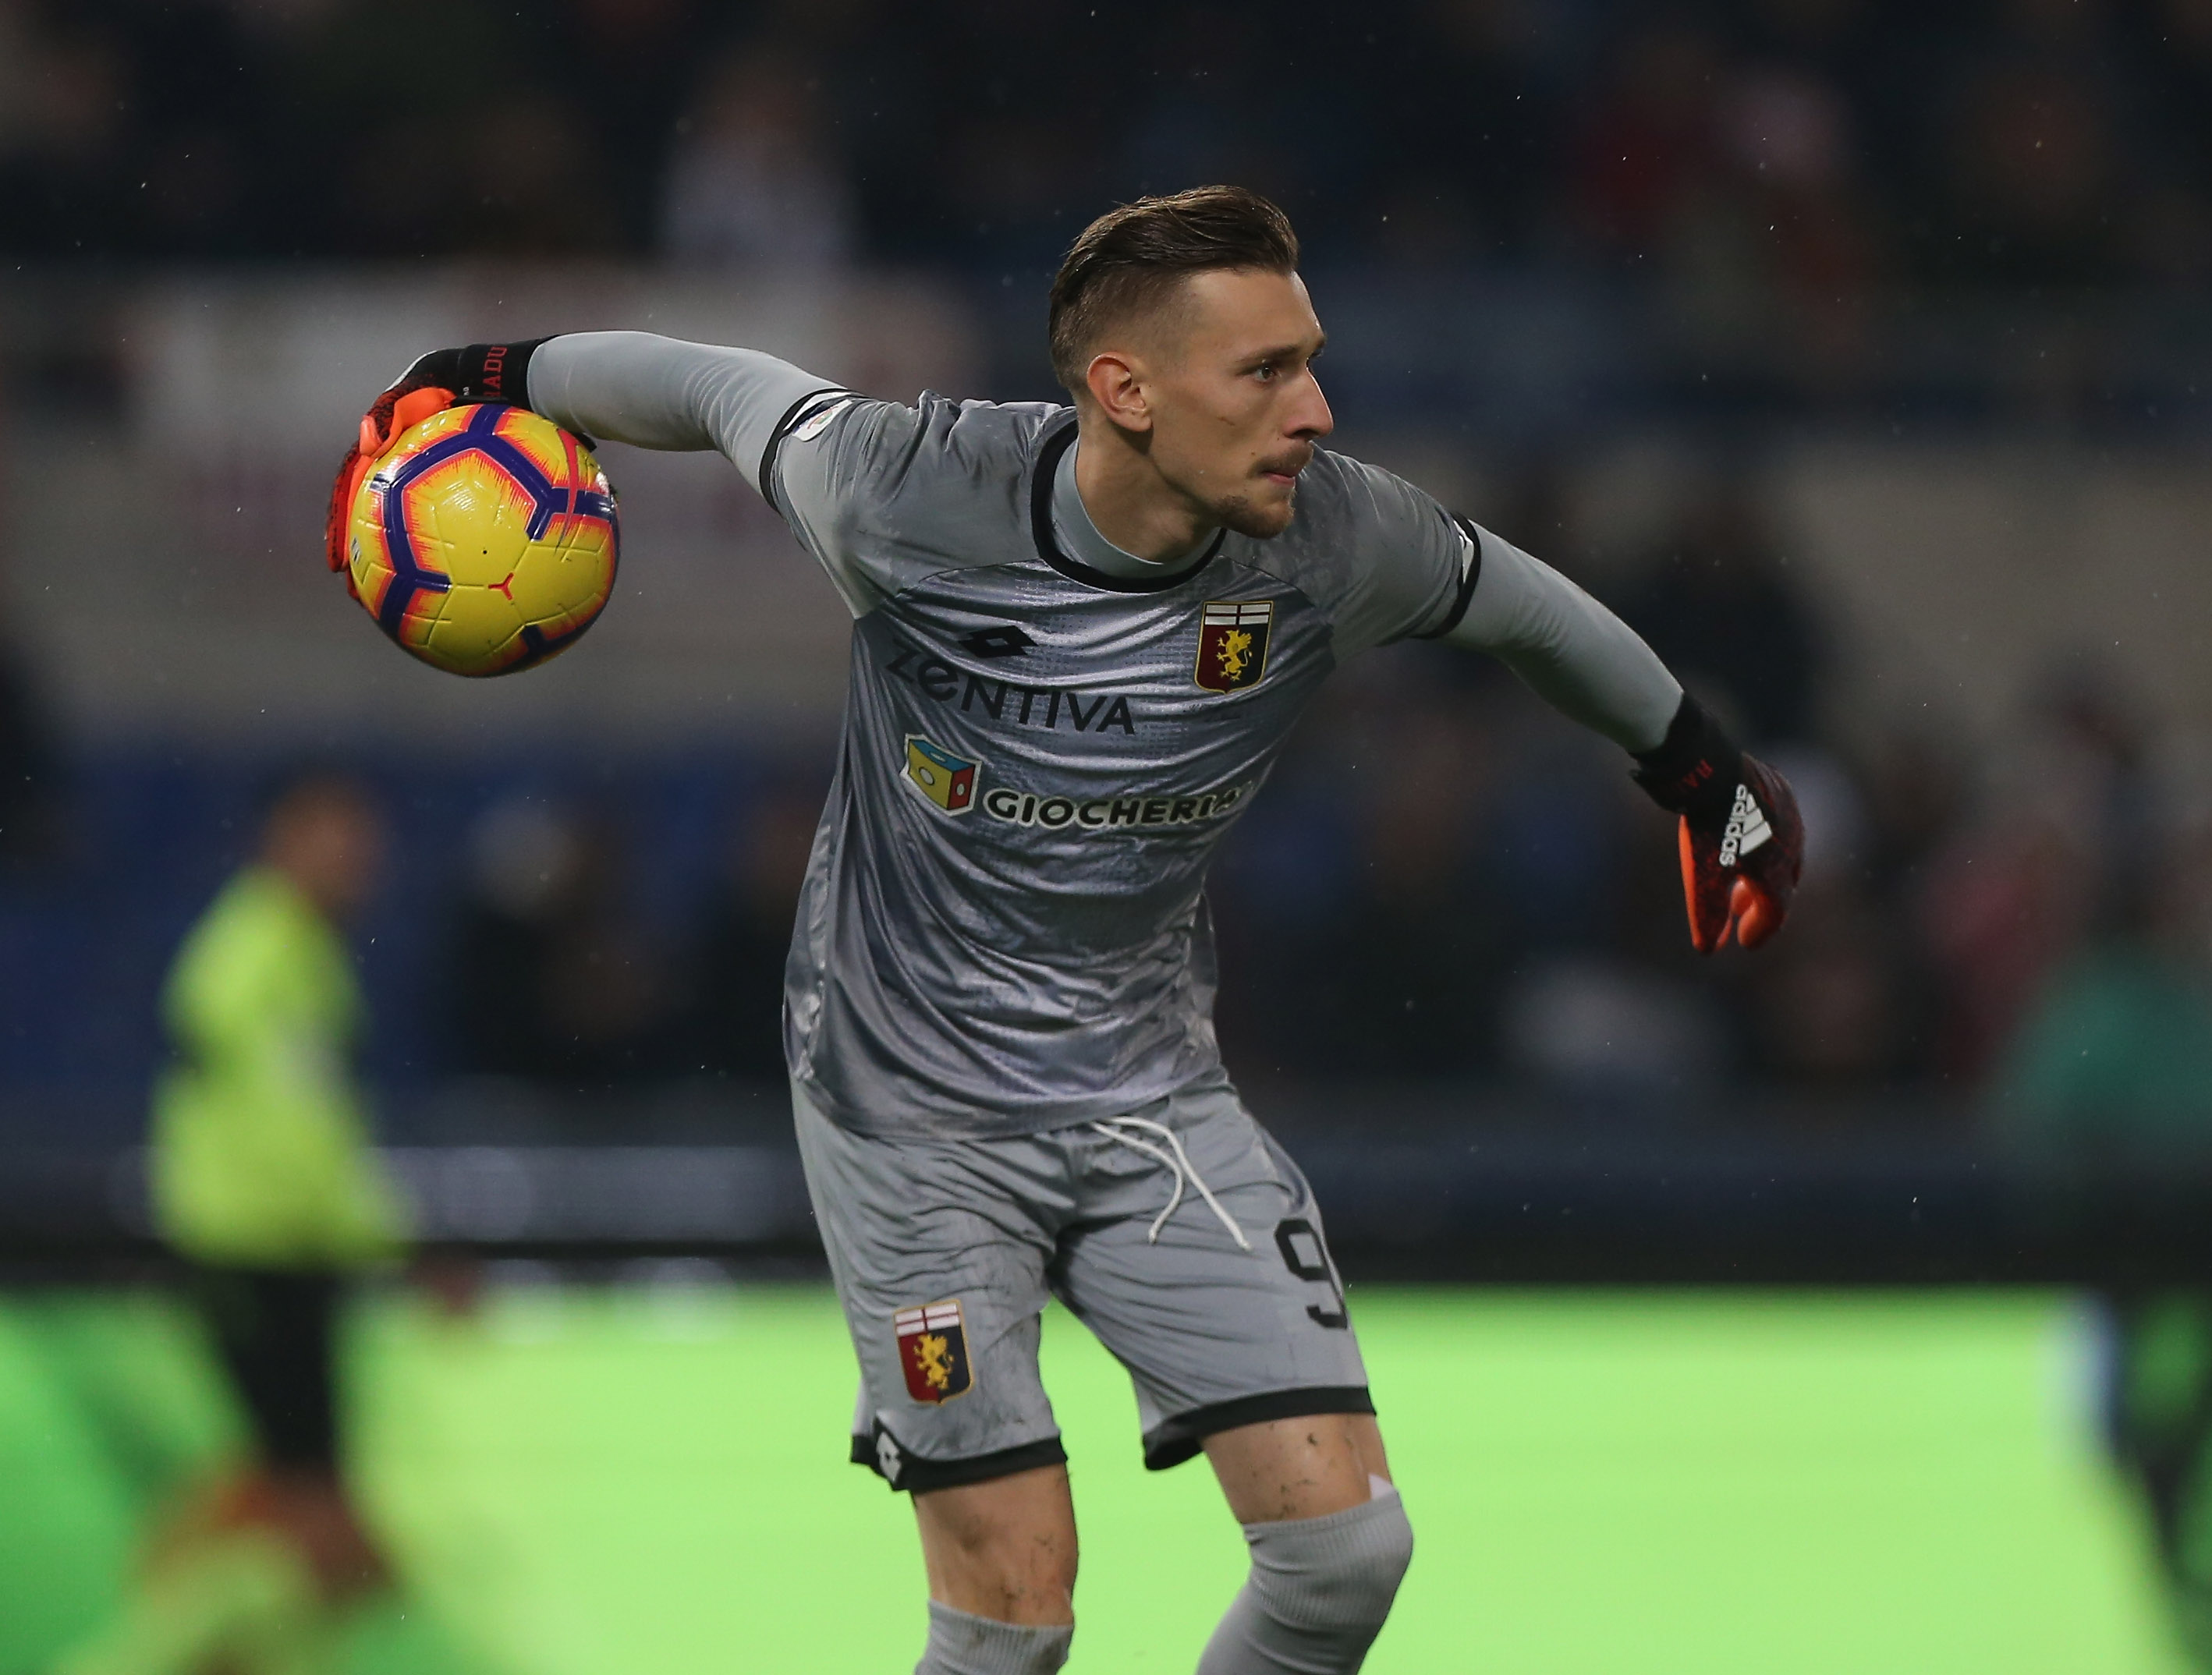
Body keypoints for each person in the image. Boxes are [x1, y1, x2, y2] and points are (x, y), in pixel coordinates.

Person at [325, 186, 1803, 1675]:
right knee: (1013, 1616)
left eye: (1310, 359)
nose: (1315, 407)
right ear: (1125, 391)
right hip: (911, 1118)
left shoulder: (1339, 538)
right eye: (1266, 371)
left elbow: (1525, 610)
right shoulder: (909, 491)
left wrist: (1699, 770)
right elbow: (718, 388)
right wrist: (486, 375)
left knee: (1345, 1557)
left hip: (1147, 1093)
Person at [64, 770, 409, 1675]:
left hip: (276, 1253)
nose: (354, 858)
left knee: (290, 1493)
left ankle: (197, 1632)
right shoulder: (255, 958)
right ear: (282, 840)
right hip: (258, 1254)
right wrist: (392, 1243)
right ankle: (165, 1631)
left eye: (361, 838)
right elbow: (292, 1130)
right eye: (333, 835)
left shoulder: (289, 950)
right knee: (319, 1515)